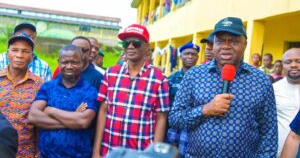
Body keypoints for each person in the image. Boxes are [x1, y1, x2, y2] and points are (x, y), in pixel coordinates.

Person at [169, 17, 278, 157]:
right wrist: (205, 110)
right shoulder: (194, 75)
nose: (226, 46)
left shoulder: (261, 81)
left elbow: (269, 133)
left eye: (233, 41)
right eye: (220, 41)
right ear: (213, 45)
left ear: (244, 44)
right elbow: (175, 118)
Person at [93, 24, 170, 157]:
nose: (130, 46)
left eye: (136, 43)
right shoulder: (110, 73)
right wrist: (96, 150)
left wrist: (154, 154)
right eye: (126, 43)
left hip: (141, 152)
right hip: (110, 150)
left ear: (147, 47)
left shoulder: (159, 78)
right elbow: (103, 110)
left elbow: (161, 118)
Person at [28, 44, 98, 158]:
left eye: (74, 62)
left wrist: (51, 111)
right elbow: (33, 116)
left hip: (79, 155)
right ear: (59, 62)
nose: (69, 66)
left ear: (82, 63)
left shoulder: (89, 91)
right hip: (47, 155)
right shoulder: (47, 87)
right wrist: (73, 118)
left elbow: (83, 122)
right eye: (65, 62)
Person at [0, 33, 44, 157]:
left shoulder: (40, 85)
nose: (19, 55)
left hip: (25, 153)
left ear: (32, 56)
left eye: (25, 51)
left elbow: (40, 123)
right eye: (15, 50)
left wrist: (39, 152)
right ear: (8, 53)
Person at [167, 42, 200, 157]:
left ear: (198, 57)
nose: (190, 57)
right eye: (186, 54)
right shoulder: (171, 79)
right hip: (173, 131)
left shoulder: (203, 80)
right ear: (181, 57)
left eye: (193, 54)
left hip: (194, 131)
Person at [273, 48, 300, 156]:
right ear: (283, 65)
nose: (293, 65)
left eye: (298, 61)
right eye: (288, 62)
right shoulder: (273, 89)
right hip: (279, 152)